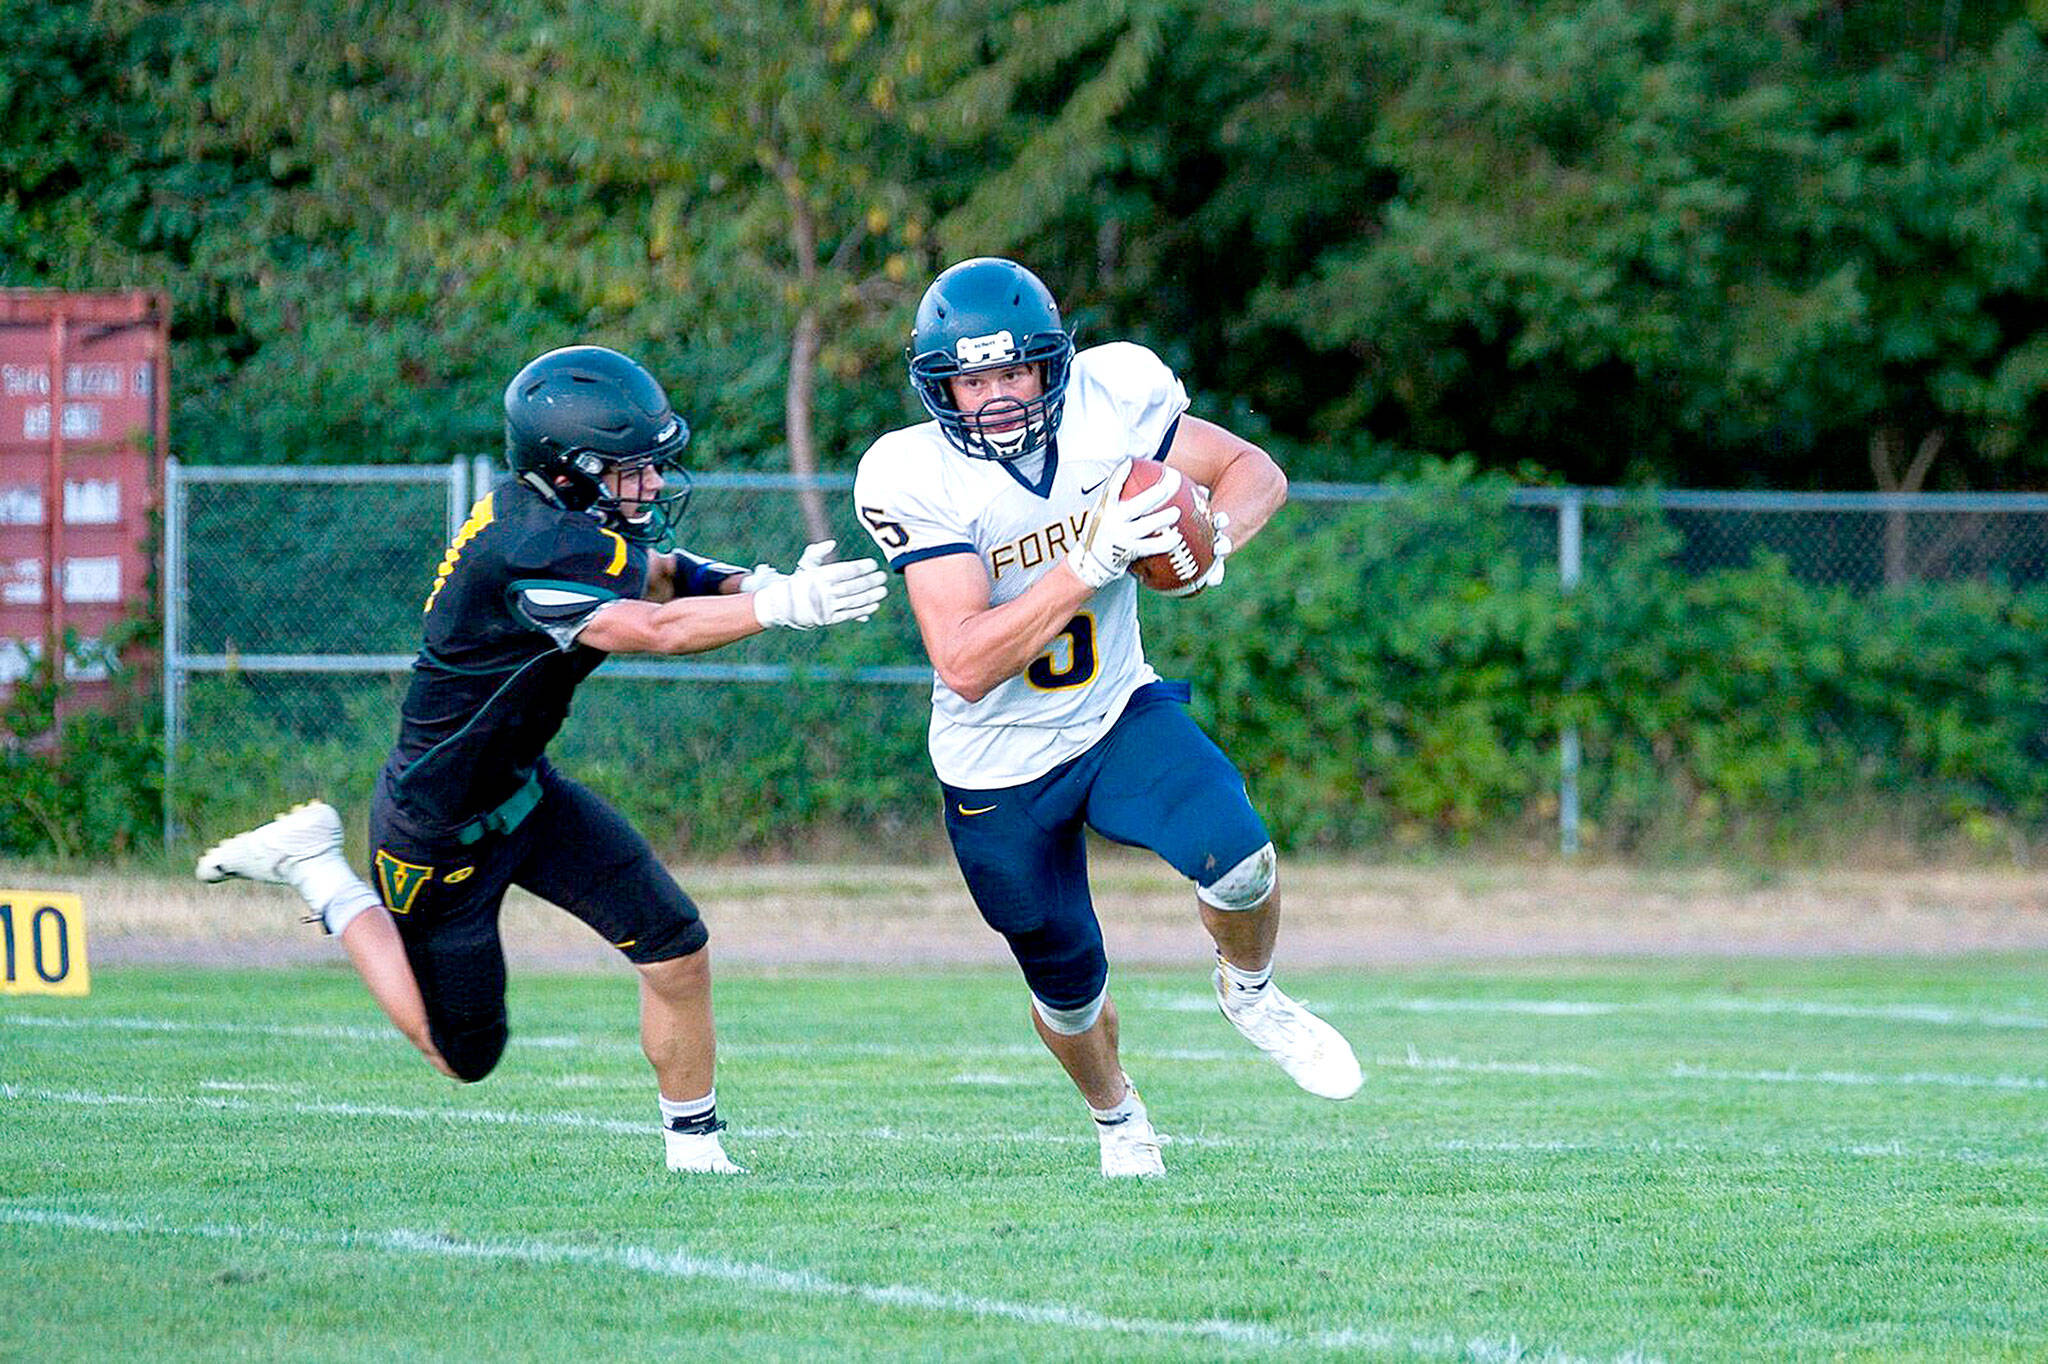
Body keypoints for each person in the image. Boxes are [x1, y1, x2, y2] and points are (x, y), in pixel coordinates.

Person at [197, 344, 887, 1175]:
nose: (656, 486)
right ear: (570, 472)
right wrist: (781, 609)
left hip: (525, 794)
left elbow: (664, 576)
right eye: (633, 471)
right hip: (437, 831)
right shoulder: (529, 548)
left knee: (675, 943)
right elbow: (651, 629)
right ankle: (320, 874)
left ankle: (695, 1150)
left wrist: (756, 582)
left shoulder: (568, 524)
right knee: (464, 1055)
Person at [852, 257, 1361, 1178]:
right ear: (942, 387)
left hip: (1114, 710)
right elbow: (963, 662)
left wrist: (1212, 547)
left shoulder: (1112, 396)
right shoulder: (911, 472)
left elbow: (1253, 470)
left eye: (1014, 372)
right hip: (996, 764)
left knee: (1240, 861)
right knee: (1070, 986)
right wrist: (1090, 562)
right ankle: (1118, 1116)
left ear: (1052, 364)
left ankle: (1251, 991)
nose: (999, 398)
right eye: (975, 378)